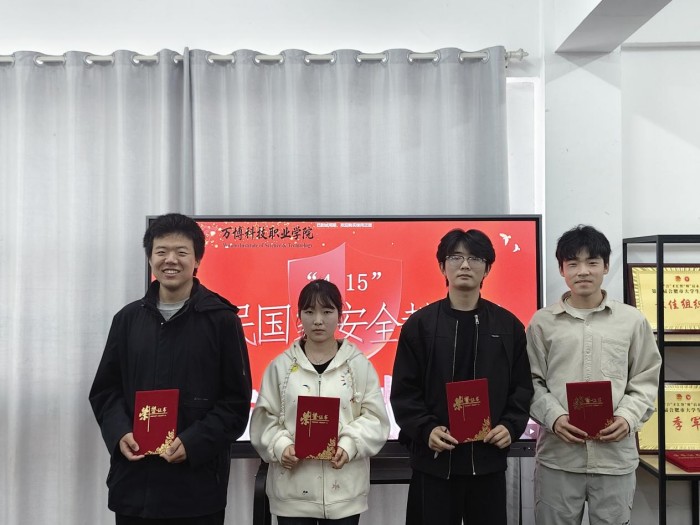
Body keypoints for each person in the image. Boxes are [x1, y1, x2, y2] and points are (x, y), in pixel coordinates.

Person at [89, 213, 252, 525]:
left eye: (181, 252)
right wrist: (119, 432)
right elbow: (105, 391)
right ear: (150, 258)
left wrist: (193, 442)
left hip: (196, 488)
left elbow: (235, 403)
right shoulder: (127, 320)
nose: (170, 260)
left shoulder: (222, 320)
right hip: (135, 486)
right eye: (161, 251)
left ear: (197, 260)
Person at [390, 228, 534, 525]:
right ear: (442, 267)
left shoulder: (508, 326)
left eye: (475, 258)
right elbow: (405, 392)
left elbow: (521, 388)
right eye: (455, 257)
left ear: (487, 269)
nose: (465, 265)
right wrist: (426, 429)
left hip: (488, 462)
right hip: (434, 463)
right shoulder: (420, 326)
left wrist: (510, 426)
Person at [527, 225, 661, 525]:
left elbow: (645, 377)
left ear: (606, 266)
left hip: (614, 457)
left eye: (592, 262)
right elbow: (530, 381)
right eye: (573, 263)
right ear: (561, 269)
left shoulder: (631, 321)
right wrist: (554, 417)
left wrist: (627, 417)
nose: (583, 271)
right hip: (559, 458)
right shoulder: (542, 323)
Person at [250, 279, 390, 525]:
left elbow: (375, 418)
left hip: (344, 493)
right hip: (292, 493)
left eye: (327, 311)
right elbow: (264, 419)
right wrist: (281, 446)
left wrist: (349, 444)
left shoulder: (358, 365)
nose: (317, 320)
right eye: (309, 311)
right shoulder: (281, 367)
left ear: (340, 315)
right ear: (299, 315)